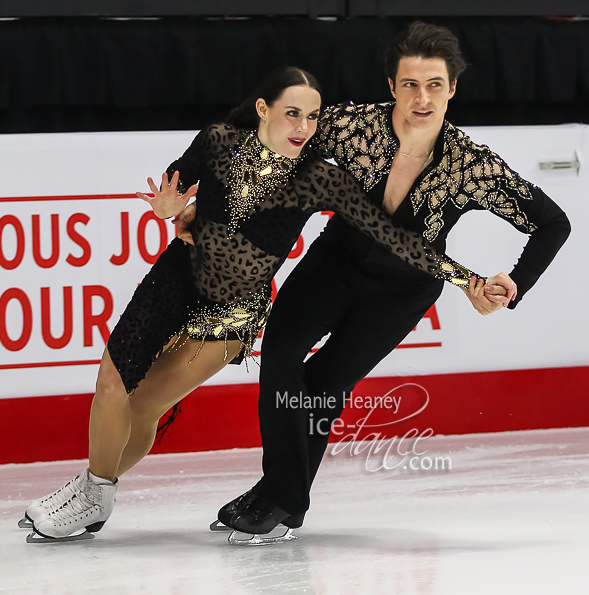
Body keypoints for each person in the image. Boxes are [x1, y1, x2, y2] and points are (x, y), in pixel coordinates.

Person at [22, 66, 485, 542]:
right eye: (291, 114)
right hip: (177, 277)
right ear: (263, 110)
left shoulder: (318, 180)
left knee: (143, 407)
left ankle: (92, 494)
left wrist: (467, 280)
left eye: (311, 117)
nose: (303, 128)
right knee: (109, 385)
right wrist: (171, 208)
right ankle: (94, 492)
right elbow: (175, 186)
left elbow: (396, 239)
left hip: (232, 312)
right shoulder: (219, 142)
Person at [221, 22, 571, 536]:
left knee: (325, 383)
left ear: (452, 88)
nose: (422, 98)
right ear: (391, 87)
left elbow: (553, 223)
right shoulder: (352, 126)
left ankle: (279, 498)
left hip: (403, 289)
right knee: (278, 353)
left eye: (434, 85)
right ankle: (283, 497)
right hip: (336, 261)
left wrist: (513, 284)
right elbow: (269, 116)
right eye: (410, 84)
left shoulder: (471, 166)